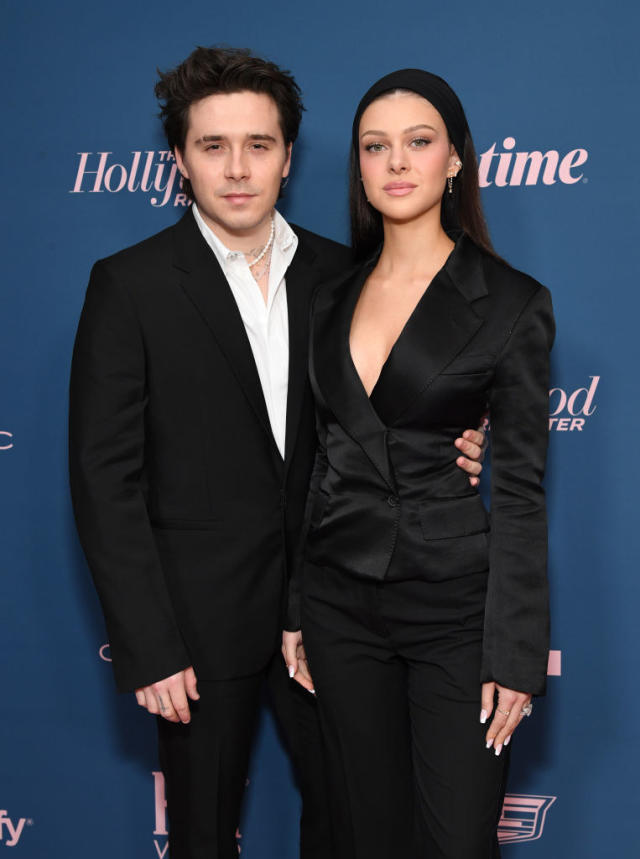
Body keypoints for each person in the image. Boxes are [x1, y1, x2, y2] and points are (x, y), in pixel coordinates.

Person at [69, 50, 486, 859]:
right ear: (180, 159)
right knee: (199, 833)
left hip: (337, 608)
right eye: (213, 146)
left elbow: (394, 417)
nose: (236, 169)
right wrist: (148, 642)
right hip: (194, 624)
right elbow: (102, 476)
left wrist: (459, 441)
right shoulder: (131, 284)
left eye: (258, 145)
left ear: (288, 157)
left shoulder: (345, 275)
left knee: (353, 824)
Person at [283, 68, 555, 859]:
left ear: (456, 160)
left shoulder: (510, 302)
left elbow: (524, 492)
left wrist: (515, 655)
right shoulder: (328, 297)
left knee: (456, 842)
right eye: (376, 146)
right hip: (339, 606)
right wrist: (298, 603)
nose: (396, 162)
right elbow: (318, 459)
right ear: (360, 168)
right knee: (366, 837)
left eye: (418, 142)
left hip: (453, 614)